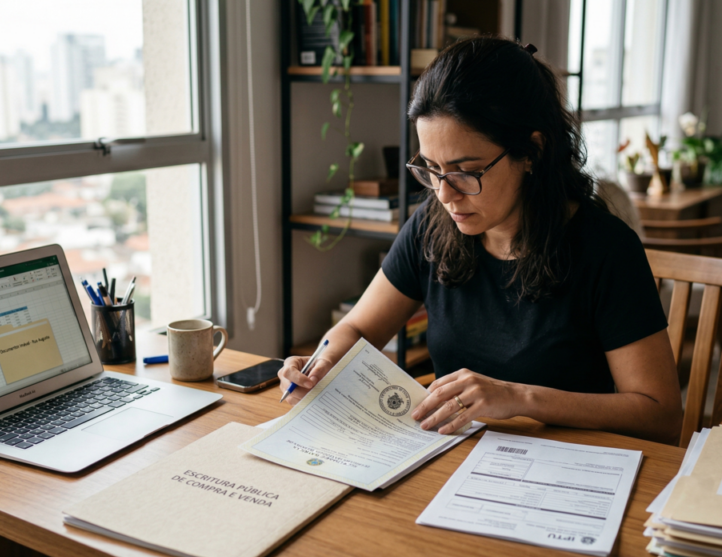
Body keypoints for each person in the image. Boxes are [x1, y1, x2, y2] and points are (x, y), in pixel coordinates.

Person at [278, 37, 683, 445]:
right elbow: (357, 327)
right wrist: (324, 360)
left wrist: (519, 398)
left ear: (532, 152)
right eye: (431, 168)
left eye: (465, 171)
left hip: (563, 466)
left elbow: (660, 414)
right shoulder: (432, 227)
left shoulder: (606, 250)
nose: (444, 194)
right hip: (451, 453)